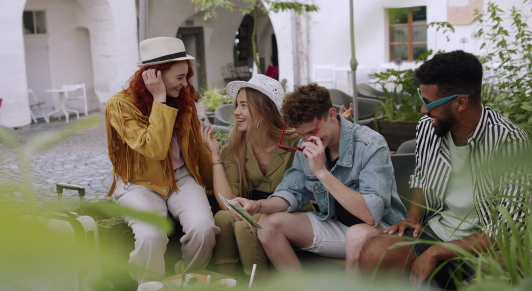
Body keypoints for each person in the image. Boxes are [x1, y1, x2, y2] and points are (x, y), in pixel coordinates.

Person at [359, 50, 532, 288]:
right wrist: (412, 217)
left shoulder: (508, 140)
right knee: (375, 252)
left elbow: (510, 225)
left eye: (429, 103)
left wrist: (439, 252)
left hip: (487, 243)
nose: (422, 111)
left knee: (499, 270)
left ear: (460, 102)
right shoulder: (428, 127)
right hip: (437, 232)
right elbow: (421, 174)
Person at [231, 83, 406, 273]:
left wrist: (322, 172)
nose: (307, 140)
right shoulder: (306, 143)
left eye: (311, 132)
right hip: (334, 223)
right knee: (267, 224)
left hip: (380, 229)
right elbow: (291, 191)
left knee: (356, 234)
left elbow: (371, 215)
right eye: (301, 134)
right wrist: (257, 206)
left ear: (331, 115)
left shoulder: (370, 144)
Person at [201, 75, 354, 277]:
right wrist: (215, 156)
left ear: (265, 110)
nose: (236, 112)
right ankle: (227, 282)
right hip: (254, 206)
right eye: (237, 105)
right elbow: (228, 203)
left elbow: (325, 147)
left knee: (246, 226)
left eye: (244, 106)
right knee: (222, 218)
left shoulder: (295, 140)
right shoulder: (235, 147)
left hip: (292, 209)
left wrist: (337, 126)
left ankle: (257, 283)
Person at [105, 37, 219, 284]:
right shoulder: (120, 106)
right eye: (179, 78)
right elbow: (154, 148)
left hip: (180, 178)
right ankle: (148, 285)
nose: (184, 84)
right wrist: (159, 100)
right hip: (137, 183)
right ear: (153, 75)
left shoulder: (184, 101)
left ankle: (185, 276)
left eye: (186, 77)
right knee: (150, 236)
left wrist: (217, 190)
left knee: (204, 229)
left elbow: (196, 150)